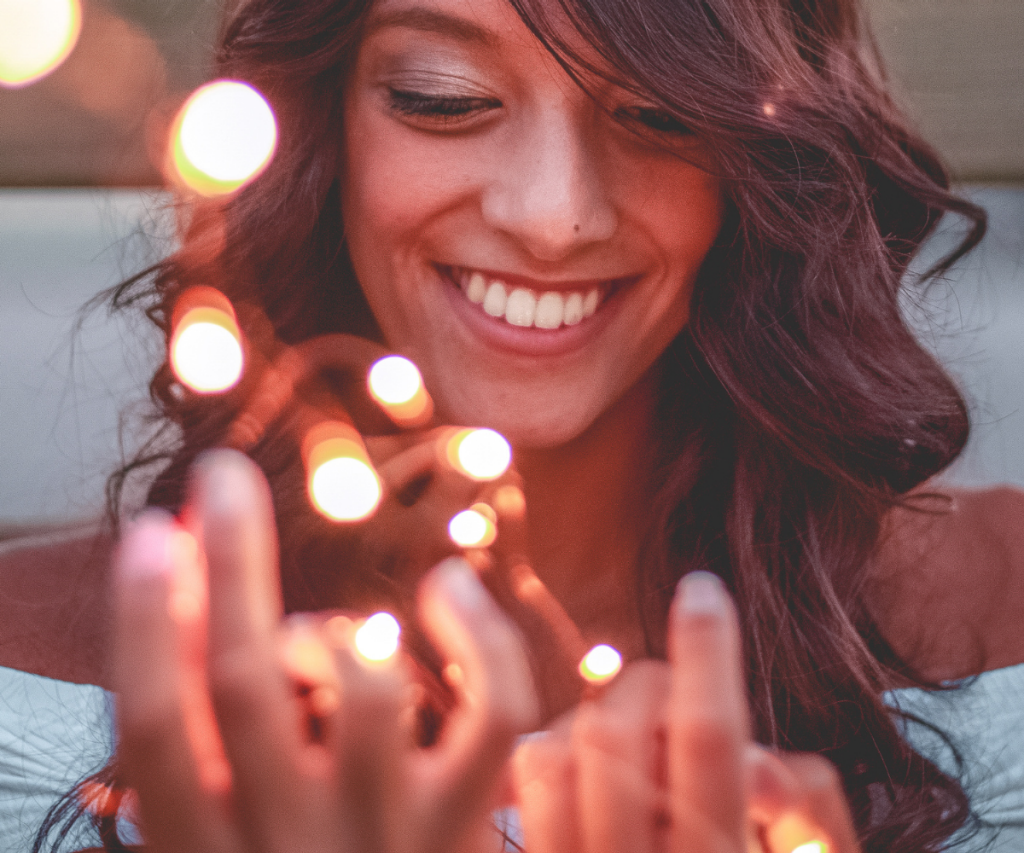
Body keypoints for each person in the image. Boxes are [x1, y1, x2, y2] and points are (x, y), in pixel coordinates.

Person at [1, 0, 1023, 850]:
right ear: (323, 124)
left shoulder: (999, 613)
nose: (553, 214)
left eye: (661, 116)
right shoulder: (29, 690)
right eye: (444, 100)